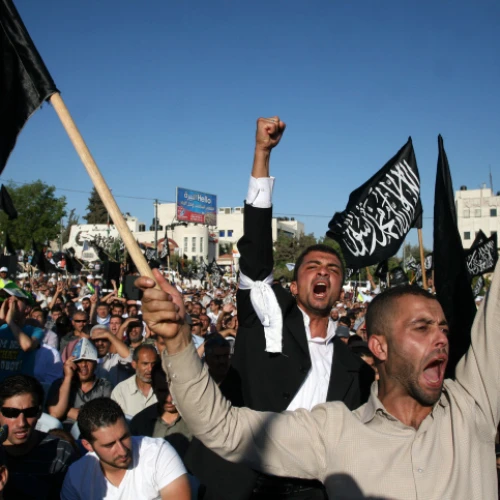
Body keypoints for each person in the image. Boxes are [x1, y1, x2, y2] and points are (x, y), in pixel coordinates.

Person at [137, 256, 500, 500]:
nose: (441, 339)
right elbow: (224, 428)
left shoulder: (472, 405)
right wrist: (178, 341)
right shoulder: (335, 431)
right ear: (379, 346)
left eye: (444, 329)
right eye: (422, 327)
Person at [229, 117, 373, 497]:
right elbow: (257, 252)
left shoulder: (353, 368)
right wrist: (262, 154)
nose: (323, 272)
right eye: (313, 267)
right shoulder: (265, 320)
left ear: (341, 288)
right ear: (293, 286)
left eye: (333, 270)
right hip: (252, 484)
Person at [61, 398, 190, 499]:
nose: (122, 450)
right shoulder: (76, 476)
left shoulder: (158, 453)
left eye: (125, 437)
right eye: (109, 445)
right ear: (88, 445)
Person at [0, 375, 77, 499]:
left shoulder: (60, 452)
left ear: (40, 413)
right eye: (11, 413)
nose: (21, 423)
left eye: (30, 412)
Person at [130, 363, 192, 460]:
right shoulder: (140, 423)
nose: (169, 398)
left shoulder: (197, 421)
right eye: (162, 391)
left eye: (174, 391)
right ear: (153, 388)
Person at [46, 339, 113, 426]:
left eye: (88, 360)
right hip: (64, 432)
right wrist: (68, 377)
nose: (84, 364)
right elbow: (55, 414)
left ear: (95, 364)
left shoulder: (105, 387)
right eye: (79, 361)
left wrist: (66, 410)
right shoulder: (59, 384)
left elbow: (101, 419)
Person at [111, 344, 157, 417]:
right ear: (134, 364)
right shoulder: (120, 391)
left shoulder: (166, 388)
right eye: (145, 364)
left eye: (153, 364)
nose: (150, 369)